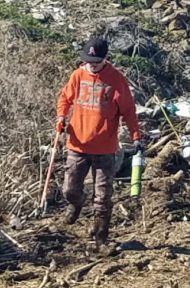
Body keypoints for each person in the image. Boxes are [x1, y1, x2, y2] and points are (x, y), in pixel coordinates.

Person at [55, 37, 142, 245]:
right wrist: (61, 117)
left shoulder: (116, 80)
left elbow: (129, 111)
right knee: (69, 190)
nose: (92, 65)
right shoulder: (78, 75)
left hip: (105, 149)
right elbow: (64, 98)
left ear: (105, 58)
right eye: (88, 61)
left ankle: (101, 239)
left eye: (96, 61)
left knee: (103, 198)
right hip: (77, 145)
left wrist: (136, 136)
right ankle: (76, 204)